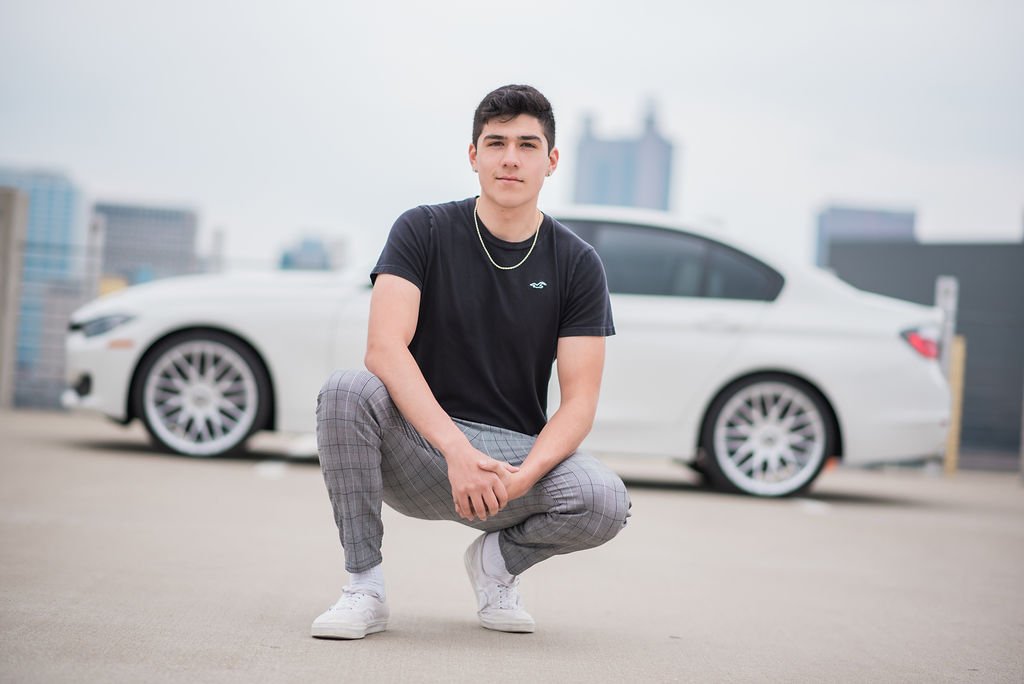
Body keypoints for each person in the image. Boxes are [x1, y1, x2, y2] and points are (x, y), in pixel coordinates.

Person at [312, 84, 631, 640]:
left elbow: (580, 402)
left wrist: (522, 477)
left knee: (603, 499)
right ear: (473, 154)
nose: (511, 158)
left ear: (551, 161)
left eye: (528, 145)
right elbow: (383, 347)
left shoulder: (578, 263)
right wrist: (455, 451)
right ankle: (364, 587)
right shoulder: (423, 229)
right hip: (418, 445)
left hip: (509, 464)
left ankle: (497, 566)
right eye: (496, 142)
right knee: (346, 390)